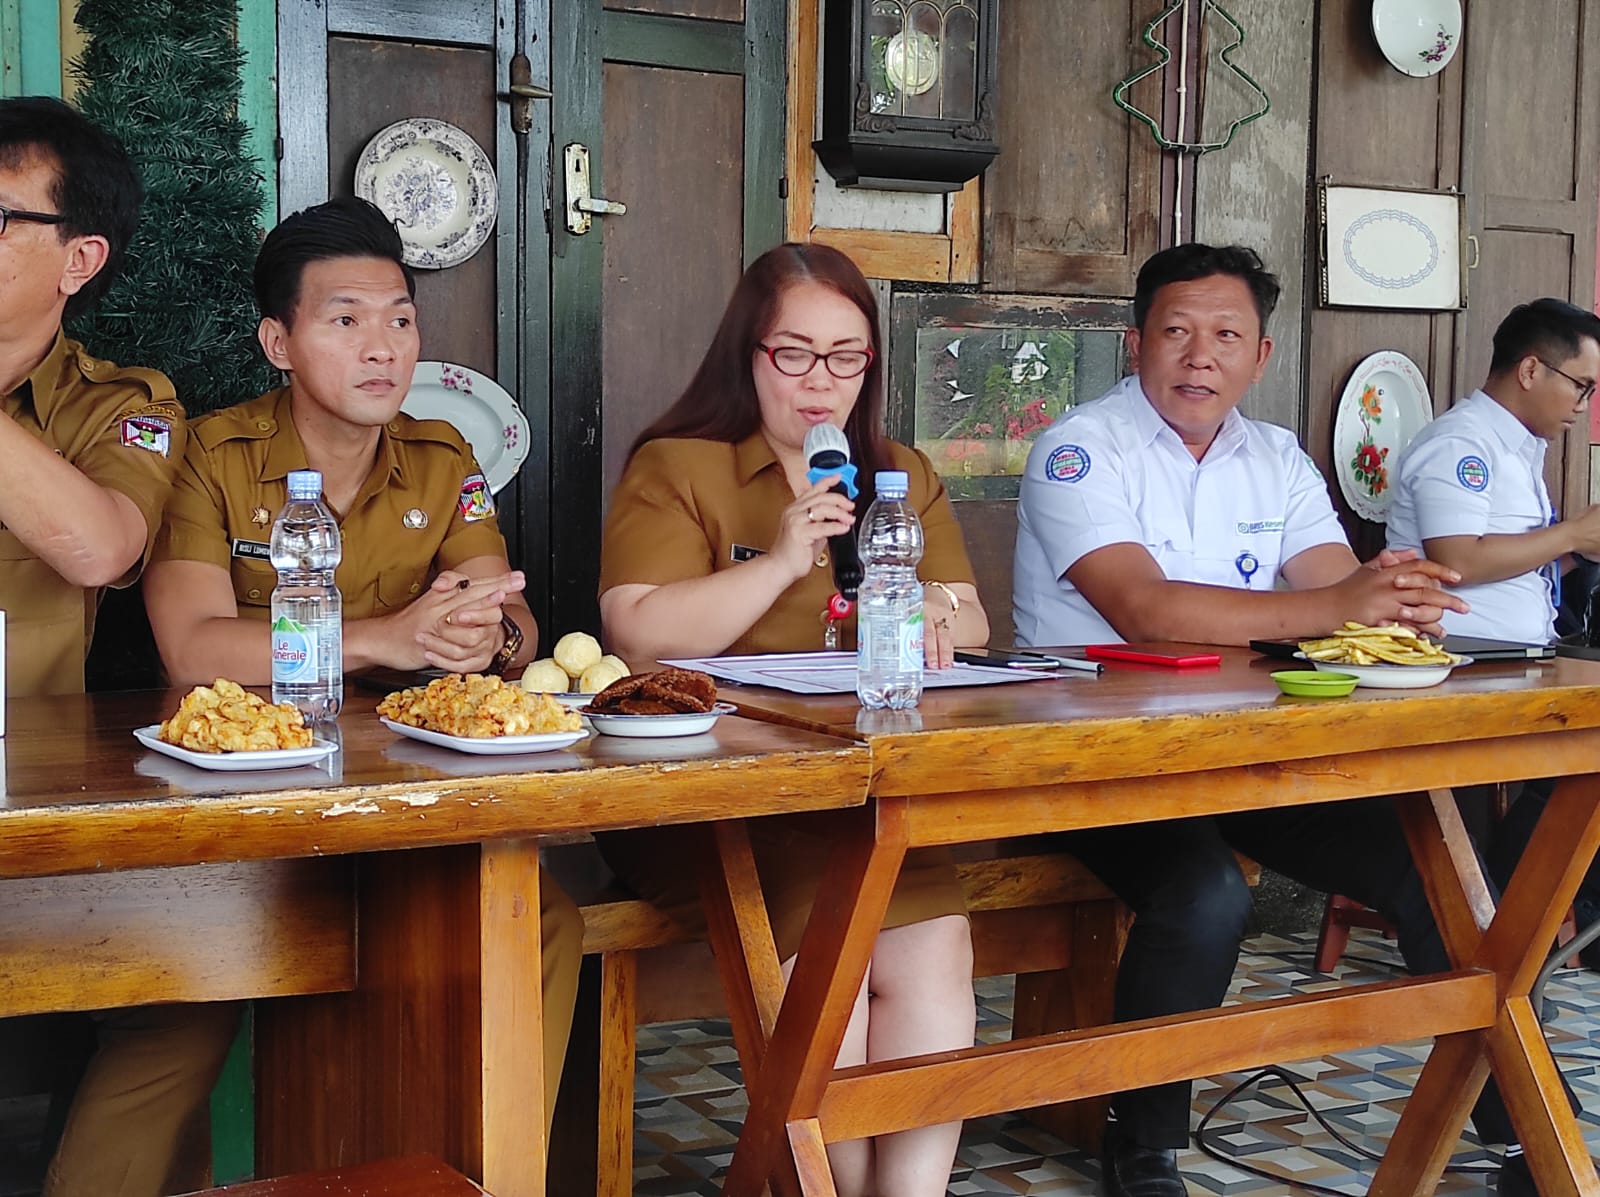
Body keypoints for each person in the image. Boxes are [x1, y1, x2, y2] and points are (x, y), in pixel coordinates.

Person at [1013, 243, 1553, 1197]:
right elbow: (1145, 607)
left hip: (1251, 754)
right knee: (1207, 895)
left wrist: (1399, 597)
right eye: (1176, 332)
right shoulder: (1079, 448)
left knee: (1432, 866)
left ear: (1260, 357)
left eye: (1226, 336)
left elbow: (1329, 583)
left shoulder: (1276, 458)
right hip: (1093, 760)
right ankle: (1143, 1145)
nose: (1198, 357)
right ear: (1135, 344)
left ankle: (1520, 1131)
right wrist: (1342, 602)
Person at [141, 197, 581, 1147]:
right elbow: (193, 646)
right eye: (345, 320)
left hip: (403, 792)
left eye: (401, 319)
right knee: (174, 1014)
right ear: (280, 340)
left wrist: (487, 643)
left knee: (538, 924)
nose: (383, 347)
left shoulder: (441, 454)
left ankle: (498, 1171)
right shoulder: (213, 456)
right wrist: (383, 637)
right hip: (243, 803)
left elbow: (504, 611)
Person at [598, 242, 988, 1196]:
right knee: (838, 985)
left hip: (862, 790)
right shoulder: (681, 465)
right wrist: (778, 559)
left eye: (847, 358)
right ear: (749, 356)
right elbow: (638, 630)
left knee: (936, 957)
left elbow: (970, 617)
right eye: (796, 355)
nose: (823, 383)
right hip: (717, 797)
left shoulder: (896, 474)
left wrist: (933, 611)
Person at [0, 95, 239, 1197]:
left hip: (31, 809)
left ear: (79, 258)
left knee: (190, 991)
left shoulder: (121, 405)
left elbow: (101, 548)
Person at [1389, 298, 1600, 965]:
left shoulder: (1517, 446)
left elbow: (1513, 559)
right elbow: (1455, 559)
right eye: (1582, 385)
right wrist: (1570, 532)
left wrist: (1576, 551)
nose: (1585, 405)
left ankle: (1514, 913)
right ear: (1533, 369)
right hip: (1459, 662)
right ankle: (1502, 913)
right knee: (1573, 778)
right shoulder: (1465, 443)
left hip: (1516, 659)